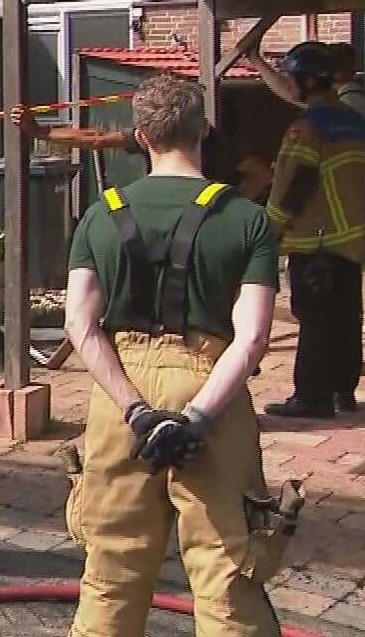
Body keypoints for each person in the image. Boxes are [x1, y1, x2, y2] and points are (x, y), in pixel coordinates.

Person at [61, 72, 287, 637]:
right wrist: (197, 419)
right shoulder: (247, 219)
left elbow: (80, 325)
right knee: (226, 567)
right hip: (208, 381)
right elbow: (253, 337)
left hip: (120, 397)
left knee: (112, 565)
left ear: (140, 136)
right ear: (204, 130)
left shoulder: (99, 213)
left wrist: (137, 411)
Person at [263, 43, 365, 419]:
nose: (290, 84)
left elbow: (295, 182)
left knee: (314, 320)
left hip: (317, 239)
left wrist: (271, 228)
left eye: (293, 77)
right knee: (345, 317)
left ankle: (311, 397)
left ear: (309, 80)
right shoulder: (355, 123)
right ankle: (344, 390)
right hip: (349, 237)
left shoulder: (308, 126)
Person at [9, 104, 272, 202]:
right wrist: (40, 132)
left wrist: (229, 205)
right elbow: (98, 138)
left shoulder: (219, 144)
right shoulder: (152, 132)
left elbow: (260, 174)